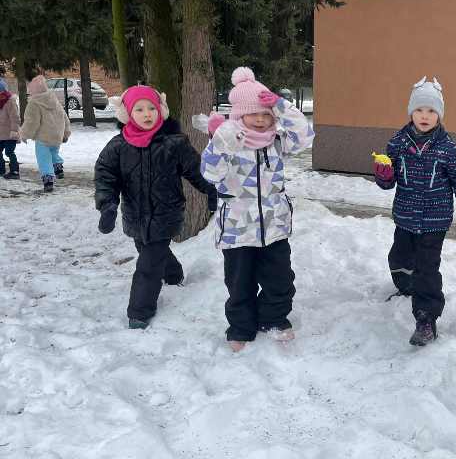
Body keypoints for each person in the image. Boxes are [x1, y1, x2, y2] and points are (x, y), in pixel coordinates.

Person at [201, 66, 314, 352]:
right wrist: (220, 144)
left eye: (266, 114)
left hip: (274, 227)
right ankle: (241, 327)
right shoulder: (229, 143)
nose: (261, 120)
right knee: (239, 283)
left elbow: (305, 134)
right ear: (239, 116)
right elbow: (210, 174)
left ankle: (273, 319)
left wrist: (281, 105)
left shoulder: (277, 142)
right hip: (238, 230)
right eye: (253, 114)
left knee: (281, 280)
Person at [94, 86, 217, 329]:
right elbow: (105, 176)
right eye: (139, 109)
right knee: (146, 248)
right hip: (135, 215)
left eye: (152, 108)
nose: (147, 114)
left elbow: (196, 171)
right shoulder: (118, 146)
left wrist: (213, 191)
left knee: (148, 265)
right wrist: (107, 205)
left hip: (166, 213)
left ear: (161, 110)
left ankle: (139, 312)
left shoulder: (174, 143)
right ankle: (173, 273)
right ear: (128, 114)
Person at [374, 77, 456, 346]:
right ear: (411, 112)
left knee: (426, 269)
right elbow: (388, 182)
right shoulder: (397, 144)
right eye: (420, 110)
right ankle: (406, 287)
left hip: (435, 221)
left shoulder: (447, 148)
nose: (425, 116)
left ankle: (426, 319)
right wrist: (384, 175)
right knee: (398, 258)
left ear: (440, 115)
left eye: (431, 111)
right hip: (405, 217)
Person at [18, 75, 70, 191]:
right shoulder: (54, 100)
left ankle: (48, 179)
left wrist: (24, 134)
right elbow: (64, 117)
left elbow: (32, 122)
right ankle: (58, 167)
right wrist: (66, 133)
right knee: (53, 153)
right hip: (57, 135)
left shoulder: (34, 103)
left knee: (43, 158)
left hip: (43, 138)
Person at [0, 76, 20, 179]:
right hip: (1, 133)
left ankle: (14, 171)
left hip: (9, 133)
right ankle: (1, 169)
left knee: (9, 152)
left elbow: (15, 118)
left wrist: (14, 131)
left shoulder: (10, 101)